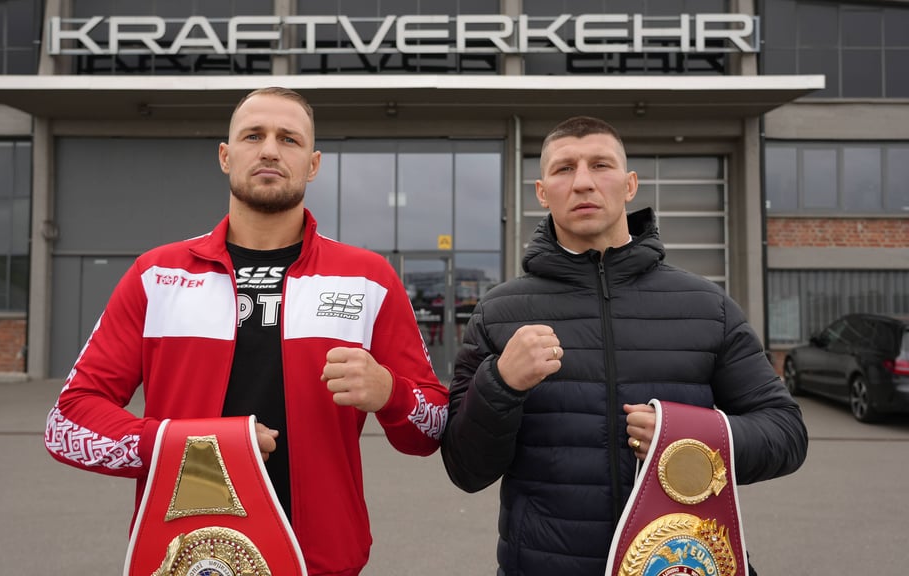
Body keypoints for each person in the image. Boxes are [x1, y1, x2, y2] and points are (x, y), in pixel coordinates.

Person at [44, 87, 449, 576]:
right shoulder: (157, 275)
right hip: (183, 557)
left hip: (321, 561)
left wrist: (392, 394)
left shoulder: (368, 278)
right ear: (225, 155)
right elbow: (67, 425)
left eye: (289, 139)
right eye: (253, 135)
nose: (270, 149)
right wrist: (192, 447)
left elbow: (431, 430)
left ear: (313, 163)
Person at [440, 116, 807, 576]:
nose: (583, 183)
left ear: (630, 184)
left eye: (601, 165)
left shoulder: (706, 305)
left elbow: (787, 434)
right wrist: (500, 383)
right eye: (563, 169)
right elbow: (465, 468)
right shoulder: (498, 313)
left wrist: (687, 437)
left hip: (683, 565)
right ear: (541, 191)